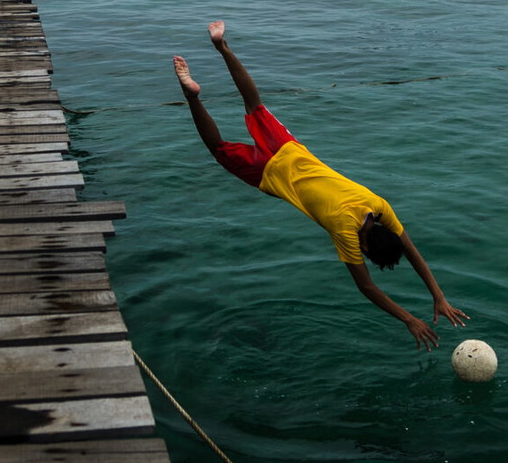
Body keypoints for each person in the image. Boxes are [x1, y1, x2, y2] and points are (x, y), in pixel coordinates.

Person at [174, 21, 470, 350]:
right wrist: (409, 318)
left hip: (291, 150)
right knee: (218, 150)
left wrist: (438, 296)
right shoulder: (344, 230)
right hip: (270, 174)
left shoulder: (380, 205)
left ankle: (222, 47)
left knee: (254, 104)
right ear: (367, 249)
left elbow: (410, 249)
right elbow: (367, 287)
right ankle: (193, 98)